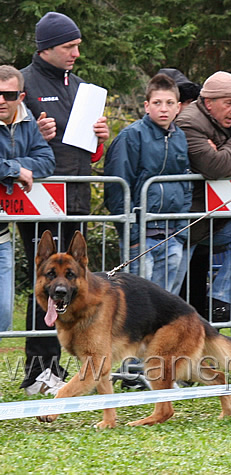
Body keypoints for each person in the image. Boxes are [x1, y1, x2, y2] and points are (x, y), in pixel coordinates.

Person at [18, 12, 110, 395]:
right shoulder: (22, 82)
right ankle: (38, 370)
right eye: (69, 47)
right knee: (47, 282)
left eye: (77, 46)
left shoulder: (82, 87)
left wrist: (100, 138)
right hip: (40, 202)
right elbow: (11, 143)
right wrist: (32, 134)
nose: (76, 53)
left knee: (73, 285)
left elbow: (87, 155)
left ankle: (73, 366)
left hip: (76, 198)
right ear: (47, 48)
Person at [175, 71, 231, 324]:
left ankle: (223, 300)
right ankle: (139, 358)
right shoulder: (189, 121)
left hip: (215, 219)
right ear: (208, 102)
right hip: (185, 223)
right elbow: (214, 167)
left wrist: (224, 158)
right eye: (229, 103)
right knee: (166, 294)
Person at [104, 73, 191, 293]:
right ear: (146, 106)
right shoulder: (130, 137)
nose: (164, 109)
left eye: (170, 103)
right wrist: (132, 236)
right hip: (140, 236)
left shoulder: (180, 138)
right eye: (157, 103)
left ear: (178, 107)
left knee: (164, 303)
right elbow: (117, 188)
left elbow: (186, 184)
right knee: (139, 302)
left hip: (170, 235)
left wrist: (180, 234)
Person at [0, 66, 55, 341]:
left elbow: (46, 160)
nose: (1, 100)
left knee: (4, 314)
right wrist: (14, 171)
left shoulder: (26, 119)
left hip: (1, 236)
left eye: (8, 94)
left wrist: (15, 168)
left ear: (20, 96)